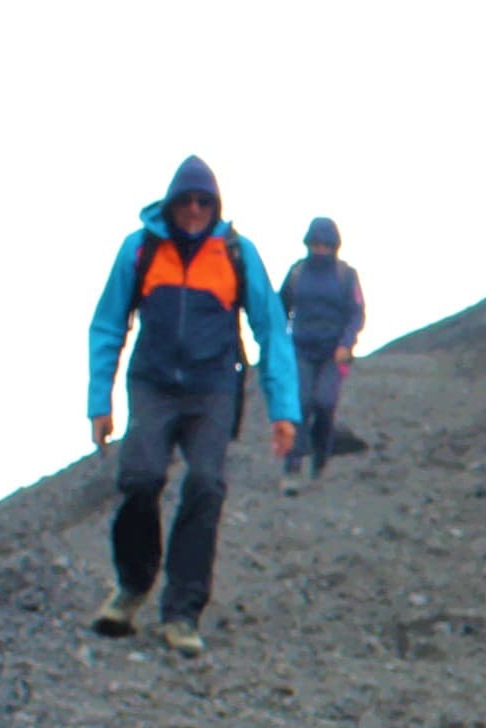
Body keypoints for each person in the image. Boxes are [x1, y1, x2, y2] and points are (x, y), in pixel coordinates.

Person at [85, 155, 299, 658]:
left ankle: (181, 613)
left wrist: (282, 410)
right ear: (172, 202)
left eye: (206, 201)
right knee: (140, 479)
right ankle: (133, 586)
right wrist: (100, 400)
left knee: (206, 485)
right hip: (153, 384)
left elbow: (270, 330)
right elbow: (109, 324)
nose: (196, 209)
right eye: (188, 200)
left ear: (216, 205)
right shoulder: (139, 250)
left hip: (212, 389)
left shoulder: (236, 254)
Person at [276, 216, 366, 494]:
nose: (320, 249)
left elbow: (356, 312)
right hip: (300, 350)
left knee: (324, 404)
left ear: (334, 245)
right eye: (315, 243)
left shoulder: (346, 275)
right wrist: (279, 343)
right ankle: (292, 468)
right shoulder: (297, 273)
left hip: (332, 354)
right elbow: (280, 309)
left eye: (326, 244)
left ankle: (321, 457)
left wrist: (346, 344)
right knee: (299, 405)